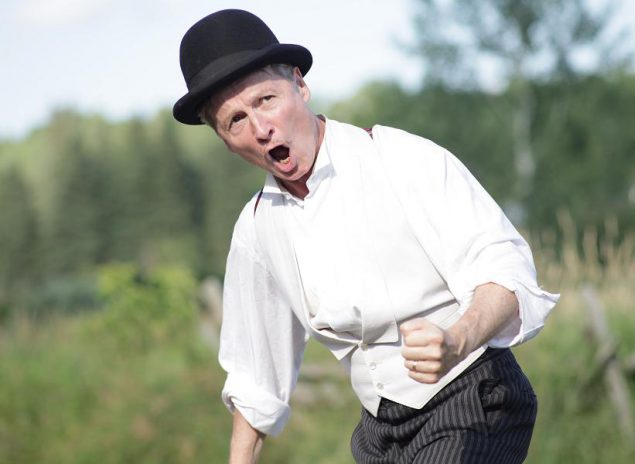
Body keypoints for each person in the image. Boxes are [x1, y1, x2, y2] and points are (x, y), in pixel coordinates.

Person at [173, 9, 558, 464]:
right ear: (223, 139)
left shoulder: (400, 159)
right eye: (235, 120)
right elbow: (257, 373)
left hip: (475, 399)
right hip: (379, 433)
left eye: (266, 100)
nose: (260, 129)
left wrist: (456, 340)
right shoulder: (257, 231)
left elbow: (506, 271)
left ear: (300, 84)